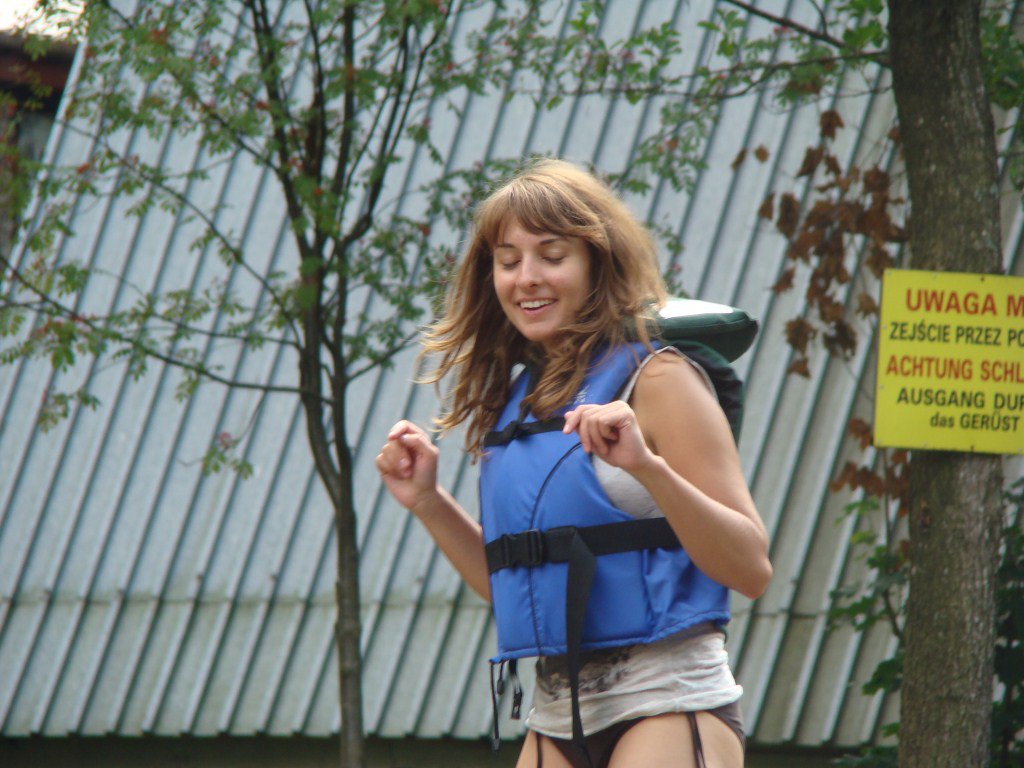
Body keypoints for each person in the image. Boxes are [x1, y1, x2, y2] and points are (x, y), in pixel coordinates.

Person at [375, 158, 772, 768]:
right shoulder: (516, 402)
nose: (527, 278)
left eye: (552, 256)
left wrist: (648, 468)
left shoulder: (660, 378)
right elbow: (518, 586)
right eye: (508, 261)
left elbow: (750, 568)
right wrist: (428, 502)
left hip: (669, 700)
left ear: (597, 263)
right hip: (555, 714)